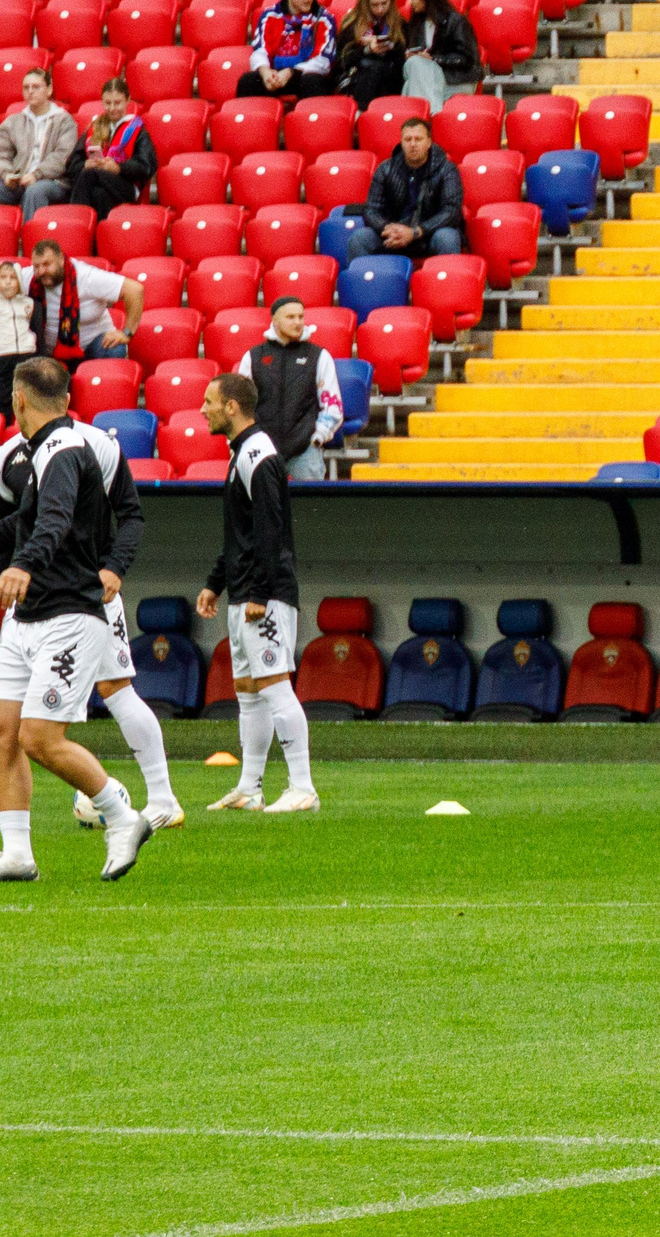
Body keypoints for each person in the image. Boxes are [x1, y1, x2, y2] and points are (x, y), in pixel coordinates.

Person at [0, 359, 159, 881]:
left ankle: (122, 814)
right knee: (0, 732)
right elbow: (21, 522)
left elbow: (52, 522)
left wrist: (23, 565)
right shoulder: (43, 449)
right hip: (26, 622)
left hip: (69, 616)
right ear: (65, 399)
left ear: (18, 400)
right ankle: (17, 854)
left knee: (41, 737)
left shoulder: (64, 451)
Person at [0, 420, 183, 838]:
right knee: (4, 710)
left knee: (116, 689)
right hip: (30, 602)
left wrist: (114, 568)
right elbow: (8, 530)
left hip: (87, 596)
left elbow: (131, 515)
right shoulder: (6, 458)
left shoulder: (96, 446)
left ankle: (163, 800)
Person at [197, 372, 318, 815]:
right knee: (248, 690)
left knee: (273, 683)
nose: (203, 408)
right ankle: (250, 788)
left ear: (232, 407)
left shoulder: (259, 454)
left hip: (264, 594)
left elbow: (272, 530)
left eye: (209, 401)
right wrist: (216, 582)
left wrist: (260, 593)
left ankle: (302, 786)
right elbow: (241, 534)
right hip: (246, 592)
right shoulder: (242, 453)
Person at [237, 296, 343, 482]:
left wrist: (317, 436)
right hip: (263, 448)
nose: (298, 322)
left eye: (301, 317)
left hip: (304, 450)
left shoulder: (318, 356)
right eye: (291, 317)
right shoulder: (253, 357)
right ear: (275, 320)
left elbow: (331, 403)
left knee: (311, 507)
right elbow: (241, 404)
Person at [348, 116, 465, 262]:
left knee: (447, 237)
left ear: (429, 142)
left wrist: (416, 232)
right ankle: (361, 283)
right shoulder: (385, 169)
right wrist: (389, 229)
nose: (413, 144)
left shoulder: (447, 169)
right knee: (360, 238)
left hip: (429, 234)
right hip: (394, 234)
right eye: (408, 139)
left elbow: (451, 211)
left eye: (418, 139)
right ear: (401, 142)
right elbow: (371, 209)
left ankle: (447, 284)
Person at [0, 68, 79, 215]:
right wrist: (7, 175)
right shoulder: (13, 122)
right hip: (18, 181)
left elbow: (62, 157)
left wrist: (37, 175)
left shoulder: (65, 121)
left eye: (36, 87)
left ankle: (31, 237)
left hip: (53, 181)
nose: (30, 91)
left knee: (35, 192)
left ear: (49, 90)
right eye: (26, 87)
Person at [24, 238, 146, 360]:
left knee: (114, 350)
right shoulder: (29, 278)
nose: (41, 272)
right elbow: (5, 271)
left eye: (46, 265)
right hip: (47, 351)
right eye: (36, 266)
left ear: (61, 260)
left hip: (94, 343)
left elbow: (134, 290)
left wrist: (126, 333)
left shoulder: (86, 276)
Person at [237, 0, 335, 101]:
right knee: (248, 81)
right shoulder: (270, 16)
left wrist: (291, 72)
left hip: (304, 73)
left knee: (313, 81)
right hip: (275, 74)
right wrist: (265, 72)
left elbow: (324, 60)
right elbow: (260, 50)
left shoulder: (324, 18)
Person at [65, 77, 156, 218]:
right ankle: (98, 235)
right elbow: (72, 163)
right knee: (99, 194)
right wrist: (85, 163)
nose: (112, 108)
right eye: (108, 103)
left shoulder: (137, 129)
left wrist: (119, 168)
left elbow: (146, 166)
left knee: (90, 174)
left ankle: (75, 220)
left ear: (127, 100)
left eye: (117, 103)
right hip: (98, 185)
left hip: (125, 185)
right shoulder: (94, 127)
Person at [0, 262, 49, 414]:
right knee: (2, 399)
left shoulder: (31, 304)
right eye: (3, 277)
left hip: (27, 354)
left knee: (29, 397)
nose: (8, 281)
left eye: (13, 277)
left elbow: (38, 332)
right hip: (0, 357)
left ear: (20, 280)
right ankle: (4, 428)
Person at [402, 0, 479, 111]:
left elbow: (467, 58)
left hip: (454, 79)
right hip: (427, 79)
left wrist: (433, 59)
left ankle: (428, 117)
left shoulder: (456, 21)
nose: (410, 2)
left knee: (414, 72)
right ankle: (428, 116)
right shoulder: (416, 24)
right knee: (411, 74)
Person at [332, 0, 408, 108]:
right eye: (375, 5)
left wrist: (392, 47)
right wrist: (366, 50)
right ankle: (362, 111)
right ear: (366, 3)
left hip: (390, 76)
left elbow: (402, 56)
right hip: (359, 77)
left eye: (384, 3)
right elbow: (342, 60)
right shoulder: (353, 24)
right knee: (373, 65)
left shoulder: (399, 23)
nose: (380, 9)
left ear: (391, 0)